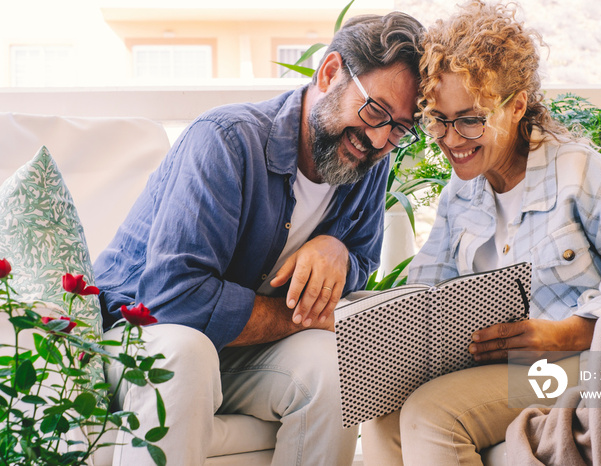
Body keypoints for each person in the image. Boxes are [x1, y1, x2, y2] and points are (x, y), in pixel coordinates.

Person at [360, 2, 601, 465]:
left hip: (580, 370)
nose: (452, 139)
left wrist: (569, 332)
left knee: (432, 413)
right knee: (383, 412)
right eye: (437, 119)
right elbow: (427, 286)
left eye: (471, 119)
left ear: (515, 105)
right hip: (504, 371)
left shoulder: (579, 173)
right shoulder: (462, 193)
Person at [93, 11, 424, 466]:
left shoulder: (371, 163)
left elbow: (364, 261)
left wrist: (338, 251)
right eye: (376, 110)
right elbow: (173, 301)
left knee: (336, 367)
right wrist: (302, 318)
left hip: (238, 350)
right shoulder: (226, 141)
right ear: (330, 73)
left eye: (400, 128)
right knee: (188, 354)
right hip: (141, 337)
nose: (379, 138)